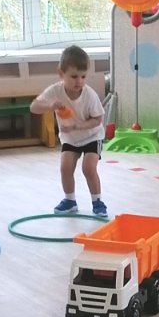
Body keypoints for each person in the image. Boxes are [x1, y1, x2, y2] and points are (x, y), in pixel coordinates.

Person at [29, 44, 108, 216]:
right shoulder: (55, 91)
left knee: (88, 168)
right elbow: (34, 107)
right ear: (61, 73)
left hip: (92, 137)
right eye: (73, 76)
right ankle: (70, 200)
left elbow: (98, 120)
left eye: (83, 76)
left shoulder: (89, 95)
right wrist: (50, 105)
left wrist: (78, 126)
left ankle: (98, 202)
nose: (79, 81)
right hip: (70, 139)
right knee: (65, 168)